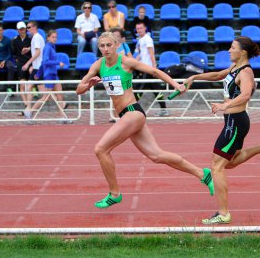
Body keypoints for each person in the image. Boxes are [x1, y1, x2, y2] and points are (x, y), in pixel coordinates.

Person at [75, 32, 214, 209]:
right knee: (157, 155)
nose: (105, 49)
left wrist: (176, 85)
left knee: (101, 149)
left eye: (109, 45)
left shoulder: (125, 61)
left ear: (116, 45)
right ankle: (203, 174)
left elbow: (154, 71)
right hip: (127, 117)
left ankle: (114, 194)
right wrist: (88, 86)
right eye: (102, 46)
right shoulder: (98, 65)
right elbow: (78, 89)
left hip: (133, 112)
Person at [183, 36, 260, 225]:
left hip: (235, 123)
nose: (229, 50)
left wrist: (226, 104)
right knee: (229, 163)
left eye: (232, 48)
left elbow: (246, 94)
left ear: (242, 52)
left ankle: (224, 214)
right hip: (232, 121)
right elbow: (217, 75)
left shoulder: (246, 72)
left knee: (217, 166)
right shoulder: (234, 67)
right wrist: (194, 77)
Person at [28, 30, 68, 121]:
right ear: (48, 38)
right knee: (46, 97)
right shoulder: (47, 47)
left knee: (60, 95)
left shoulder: (53, 47)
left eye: (56, 37)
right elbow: (45, 62)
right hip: (49, 74)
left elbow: (43, 62)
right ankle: (30, 112)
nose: (55, 39)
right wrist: (58, 63)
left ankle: (62, 117)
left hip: (54, 74)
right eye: (53, 37)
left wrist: (38, 74)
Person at [134, 21, 169, 117]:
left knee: (139, 89)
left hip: (148, 68)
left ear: (145, 28)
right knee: (156, 89)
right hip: (143, 68)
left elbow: (151, 54)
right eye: (137, 29)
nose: (139, 30)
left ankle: (131, 109)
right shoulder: (140, 40)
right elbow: (140, 55)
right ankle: (164, 109)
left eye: (141, 28)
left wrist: (154, 69)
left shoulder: (148, 39)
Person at [22, 21, 45, 118]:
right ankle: (28, 109)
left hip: (39, 68)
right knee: (28, 87)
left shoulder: (36, 37)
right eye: (27, 27)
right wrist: (28, 49)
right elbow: (37, 49)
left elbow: (38, 52)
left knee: (45, 94)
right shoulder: (36, 37)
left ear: (35, 27)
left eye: (29, 27)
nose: (27, 29)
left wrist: (27, 63)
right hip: (37, 67)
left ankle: (30, 110)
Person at [11, 21, 32, 111]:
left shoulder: (31, 38)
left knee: (30, 84)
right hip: (21, 63)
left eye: (23, 29)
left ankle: (29, 105)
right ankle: (26, 104)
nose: (22, 30)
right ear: (17, 30)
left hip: (30, 61)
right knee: (22, 84)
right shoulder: (14, 40)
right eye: (20, 29)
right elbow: (13, 53)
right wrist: (17, 59)